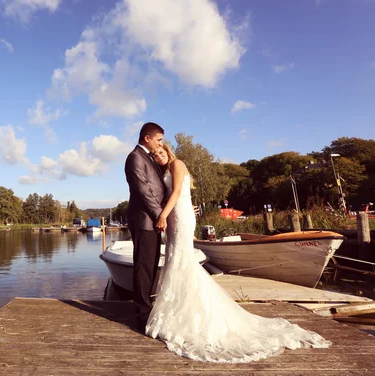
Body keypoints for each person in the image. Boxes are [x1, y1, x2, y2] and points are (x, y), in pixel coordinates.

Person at [145, 144, 331, 362]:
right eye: (155, 155)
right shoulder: (166, 170)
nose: (158, 156)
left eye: (161, 152)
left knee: (182, 259)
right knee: (176, 259)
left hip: (178, 215)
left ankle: (189, 313)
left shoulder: (177, 163)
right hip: (177, 214)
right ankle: (177, 311)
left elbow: (177, 192)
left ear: (169, 152)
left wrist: (162, 216)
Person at [124, 122, 166, 332]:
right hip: (144, 221)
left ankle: (148, 309)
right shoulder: (135, 158)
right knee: (143, 268)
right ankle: (142, 316)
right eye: (159, 139)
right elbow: (142, 191)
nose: (161, 144)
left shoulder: (149, 158)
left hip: (153, 222)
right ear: (147, 138)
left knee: (150, 267)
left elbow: (157, 189)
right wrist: (160, 216)